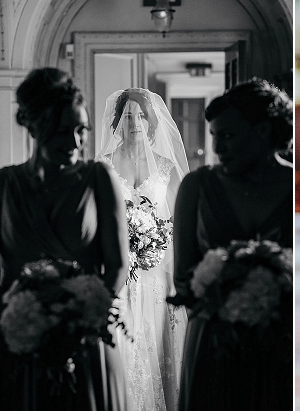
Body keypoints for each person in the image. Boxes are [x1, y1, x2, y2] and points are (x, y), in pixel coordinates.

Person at [0, 68, 128, 410]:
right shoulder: (1, 185)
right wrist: (15, 321)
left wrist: (83, 318)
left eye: (81, 130)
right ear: (33, 127)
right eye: (61, 131)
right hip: (17, 339)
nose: (74, 142)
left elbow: (118, 266)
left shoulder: (99, 178)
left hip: (83, 336)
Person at [173, 79, 293, 410]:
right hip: (213, 341)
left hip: (280, 343)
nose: (217, 148)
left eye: (227, 135)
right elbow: (183, 280)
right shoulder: (196, 187)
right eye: (214, 136)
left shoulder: (291, 185)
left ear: (263, 131)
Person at [96, 88, 189, 410]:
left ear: (151, 122)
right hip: (115, 272)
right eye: (127, 116)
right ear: (117, 122)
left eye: (140, 116)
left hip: (156, 273)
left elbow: (180, 223)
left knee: (158, 349)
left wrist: (159, 250)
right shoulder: (103, 166)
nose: (134, 122)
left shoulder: (166, 167)